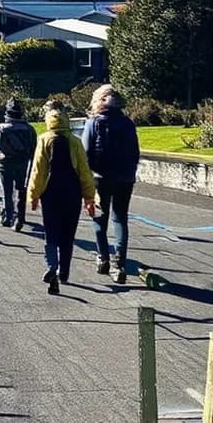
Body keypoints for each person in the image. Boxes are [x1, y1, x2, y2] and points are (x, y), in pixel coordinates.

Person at [28, 107, 97, 295]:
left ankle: (52, 265)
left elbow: (38, 171)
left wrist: (33, 195)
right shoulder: (75, 142)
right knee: (67, 235)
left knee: (51, 233)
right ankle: (64, 272)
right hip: (72, 192)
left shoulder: (43, 140)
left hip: (50, 193)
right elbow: (84, 171)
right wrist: (89, 197)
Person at [82, 84, 141, 285]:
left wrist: (85, 180)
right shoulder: (128, 123)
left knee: (99, 219)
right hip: (124, 177)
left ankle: (103, 258)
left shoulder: (93, 123)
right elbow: (135, 152)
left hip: (100, 177)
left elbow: (86, 153)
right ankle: (119, 264)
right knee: (120, 219)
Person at [0, 98, 38, 231]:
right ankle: (21, 217)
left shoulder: (1, 128)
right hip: (23, 163)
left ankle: (7, 217)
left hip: (5, 163)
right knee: (22, 190)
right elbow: (34, 148)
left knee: (7, 191)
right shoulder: (29, 129)